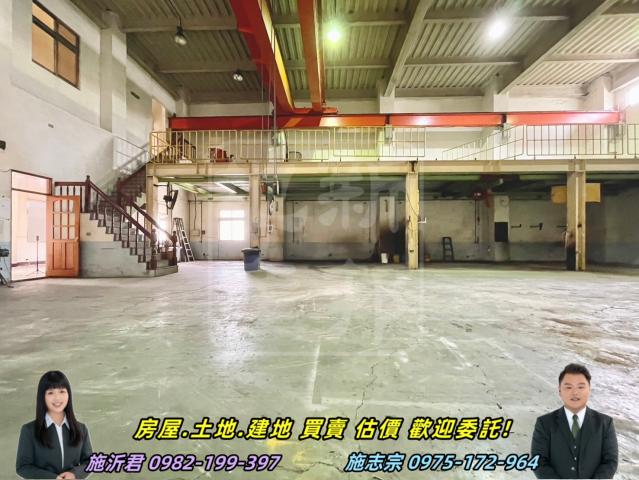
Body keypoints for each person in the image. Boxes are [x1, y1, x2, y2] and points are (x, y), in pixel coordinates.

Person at [531, 363, 618, 479]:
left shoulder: (605, 423)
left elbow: (610, 462)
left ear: (589, 389)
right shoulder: (544, 423)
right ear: (560, 390)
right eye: (568, 387)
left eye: (580, 387)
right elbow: (538, 461)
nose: (575, 392)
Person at [16, 371, 93, 479]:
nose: (57, 398)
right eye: (50, 393)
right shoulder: (29, 430)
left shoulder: (81, 429)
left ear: (68, 394)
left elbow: (90, 462)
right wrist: (52, 478)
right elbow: (23, 467)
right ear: (42, 396)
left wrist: (74, 474)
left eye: (62, 391)